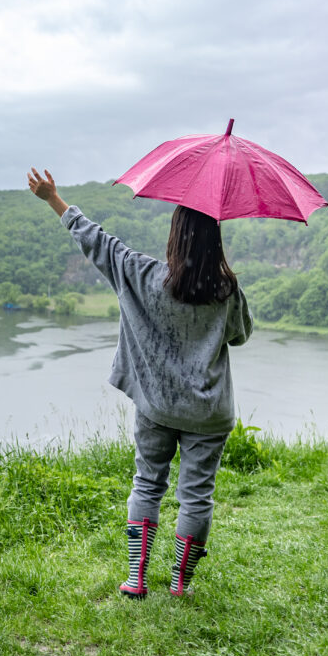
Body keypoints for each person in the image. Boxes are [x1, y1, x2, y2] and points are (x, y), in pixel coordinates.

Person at [27, 168, 253, 597]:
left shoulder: (140, 274)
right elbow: (240, 335)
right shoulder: (227, 290)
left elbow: (97, 241)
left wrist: (55, 200)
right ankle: (179, 586)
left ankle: (135, 579)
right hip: (208, 412)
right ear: (215, 243)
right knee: (196, 495)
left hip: (155, 405)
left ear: (175, 235)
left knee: (147, 483)